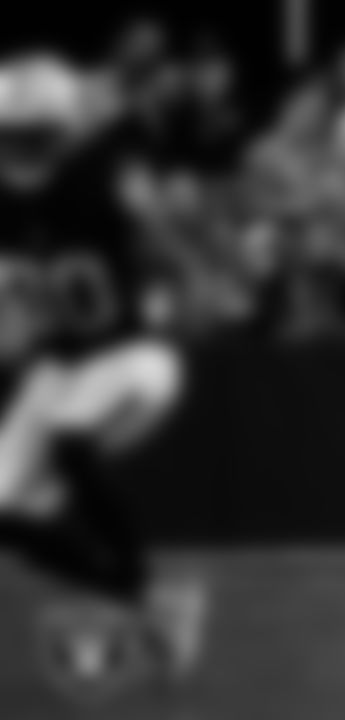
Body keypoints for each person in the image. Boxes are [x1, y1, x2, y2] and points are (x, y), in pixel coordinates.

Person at [0, 59, 205, 692]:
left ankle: (142, 586)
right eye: (12, 138)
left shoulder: (98, 177)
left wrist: (189, 274)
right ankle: (147, 597)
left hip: (130, 355)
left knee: (69, 435)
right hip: (60, 366)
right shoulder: (19, 202)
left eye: (31, 137)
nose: (18, 151)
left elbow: (154, 226)